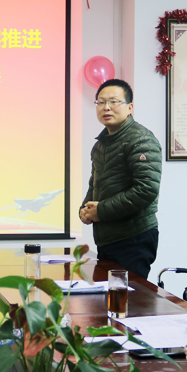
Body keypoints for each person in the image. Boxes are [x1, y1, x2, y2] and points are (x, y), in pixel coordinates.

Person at [79, 79, 162, 280]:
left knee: (128, 296)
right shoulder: (101, 144)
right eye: (101, 102)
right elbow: (95, 184)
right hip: (108, 238)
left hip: (133, 238)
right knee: (108, 295)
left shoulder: (141, 139)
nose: (106, 107)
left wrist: (101, 210)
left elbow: (146, 190)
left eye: (114, 101)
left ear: (129, 107)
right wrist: (85, 209)